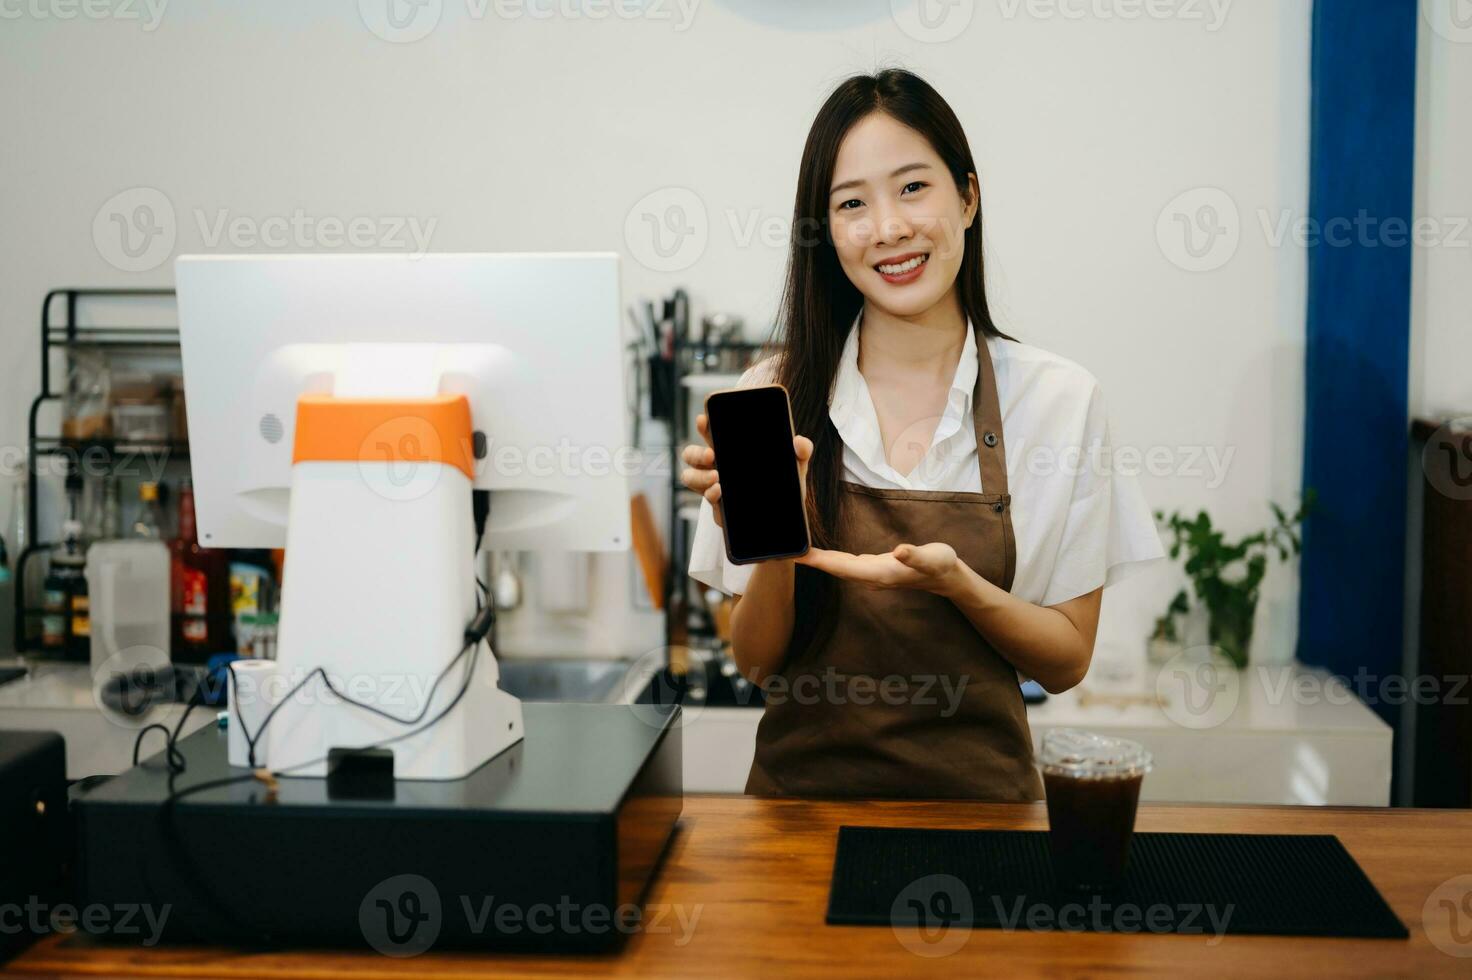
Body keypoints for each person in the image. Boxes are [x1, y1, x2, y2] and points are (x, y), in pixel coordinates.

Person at [682, 69, 1164, 801]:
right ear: (824, 231)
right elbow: (756, 662)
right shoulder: (770, 399)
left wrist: (960, 586)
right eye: (852, 203)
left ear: (968, 197)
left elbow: (1066, 661)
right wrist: (774, 541)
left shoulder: (1061, 402)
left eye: (913, 188)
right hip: (794, 830)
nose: (889, 228)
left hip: (988, 824)